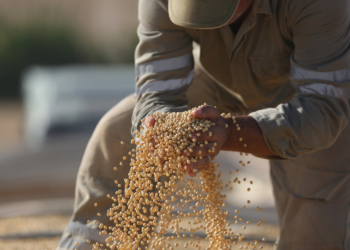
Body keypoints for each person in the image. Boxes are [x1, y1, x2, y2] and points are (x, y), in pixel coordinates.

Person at [57, 0, 350, 249]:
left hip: (313, 91)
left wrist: (229, 133)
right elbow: (157, 93)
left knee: (314, 231)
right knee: (119, 132)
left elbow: (323, 108)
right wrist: (160, 129)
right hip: (219, 74)